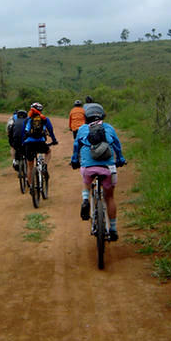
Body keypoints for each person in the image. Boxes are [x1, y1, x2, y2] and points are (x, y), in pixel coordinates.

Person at [71, 103, 126, 241]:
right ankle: (113, 229)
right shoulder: (109, 128)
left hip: (88, 168)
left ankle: (85, 199)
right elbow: (117, 146)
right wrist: (120, 159)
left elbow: (76, 146)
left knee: (86, 180)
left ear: (86, 117)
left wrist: (74, 160)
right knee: (110, 197)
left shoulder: (82, 129)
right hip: (108, 168)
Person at [22, 102, 58, 190]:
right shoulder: (44, 119)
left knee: (30, 166)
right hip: (40, 142)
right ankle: (44, 165)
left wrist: (23, 143)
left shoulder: (27, 119)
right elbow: (51, 130)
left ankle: (31, 187)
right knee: (48, 152)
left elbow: (23, 133)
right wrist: (54, 140)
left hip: (28, 144)